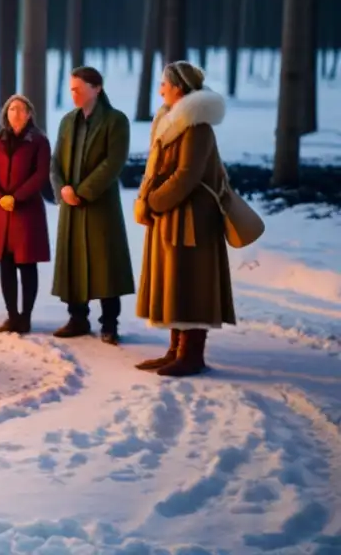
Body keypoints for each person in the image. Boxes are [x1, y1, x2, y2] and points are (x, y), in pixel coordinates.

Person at [134, 61, 235, 376]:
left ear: (178, 87)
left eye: (164, 83)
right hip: (172, 214)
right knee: (173, 281)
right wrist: (150, 201)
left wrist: (152, 201)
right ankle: (176, 350)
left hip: (193, 219)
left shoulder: (196, 125)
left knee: (191, 281)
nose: (160, 88)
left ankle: (191, 354)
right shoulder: (171, 120)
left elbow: (187, 174)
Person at [49, 66, 135, 344]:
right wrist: (62, 189)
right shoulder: (67, 121)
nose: (73, 94)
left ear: (96, 88)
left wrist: (83, 192)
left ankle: (109, 323)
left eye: (78, 89)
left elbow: (113, 162)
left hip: (100, 205)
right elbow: (56, 161)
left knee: (105, 262)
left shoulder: (116, 121)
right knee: (72, 261)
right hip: (70, 205)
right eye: (71, 89)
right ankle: (77, 318)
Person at [0, 95, 51, 334]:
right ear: (5, 114)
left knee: (27, 265)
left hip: (26, 212)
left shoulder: (39, 141)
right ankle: (12, 316)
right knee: (6, 264)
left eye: (21, 109)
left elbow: (40, 175)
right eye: (11, 109)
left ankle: (26, 317)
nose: (16, 113)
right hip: (0, 213)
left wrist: (16, 197)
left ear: (29, 114)